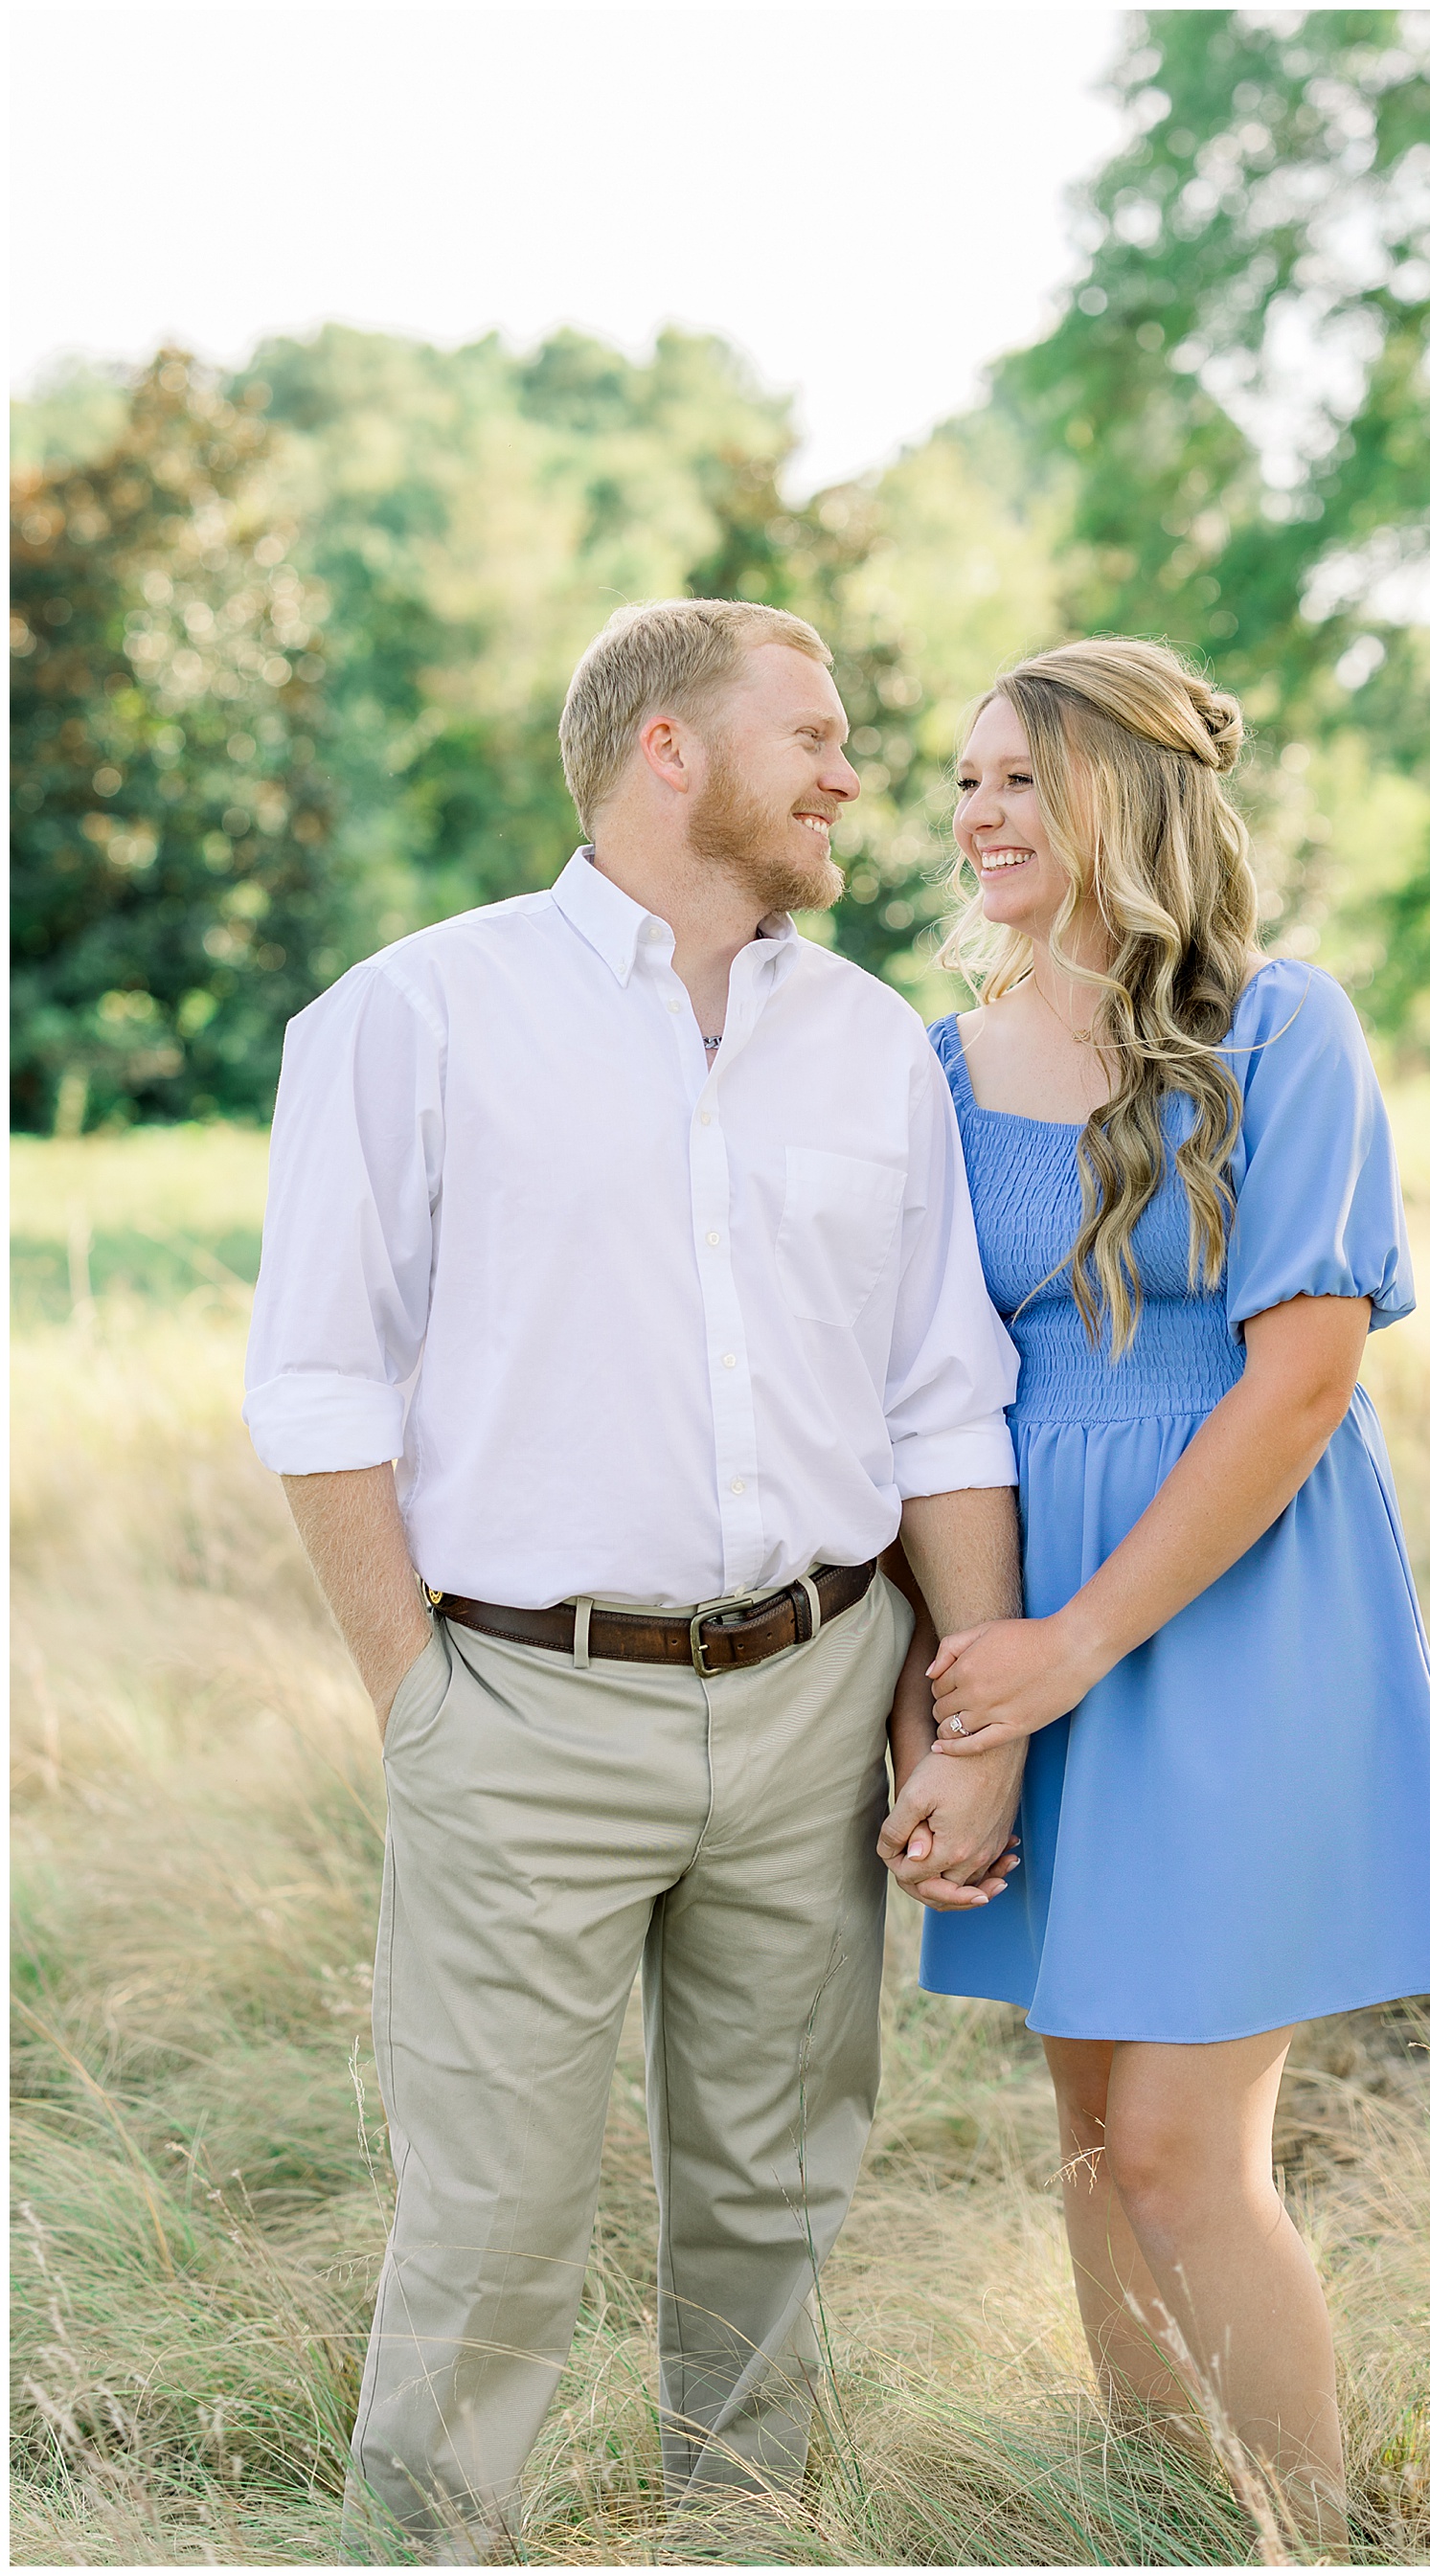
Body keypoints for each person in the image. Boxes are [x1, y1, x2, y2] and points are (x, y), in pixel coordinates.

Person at [242, 598, 1029, 2563]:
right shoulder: (413, 1016)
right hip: (521, 1708)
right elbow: (319, 1381)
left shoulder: (872, 1046)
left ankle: (745, 2540)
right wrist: (418, 1701)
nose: (855, 775)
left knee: (775, 2202)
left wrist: (973, 1711)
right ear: (666, 749)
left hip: (817, 1695)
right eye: (813, 734)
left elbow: (942, 1398)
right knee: (494, 2223)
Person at [879, 636, 1430, 2547]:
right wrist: (958, 1704)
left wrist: (1078, 1646)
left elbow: (1303, 1376)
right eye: (965, 780)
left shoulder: (1281, 1028)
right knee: (1091, 2138)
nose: (978, 813)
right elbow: (922, 1399)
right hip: (1021, 1608)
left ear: (1128, 796)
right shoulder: (933, 1067)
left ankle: (1304, 2538)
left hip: (1232, 1614)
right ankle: (1166, 2527)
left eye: (1020, 777)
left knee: (1176, 2143)